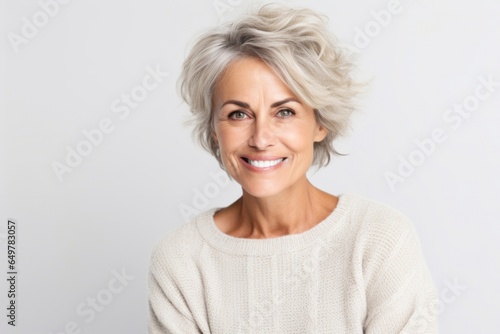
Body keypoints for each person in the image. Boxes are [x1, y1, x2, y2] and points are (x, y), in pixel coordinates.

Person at [148, 4, 438, 333]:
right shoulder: (182, 260)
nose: (260, 139)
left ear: (320, 123)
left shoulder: (379, 240)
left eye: (284, 112)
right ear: (214, 129)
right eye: (238, 114)